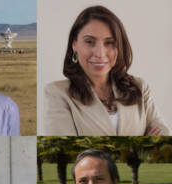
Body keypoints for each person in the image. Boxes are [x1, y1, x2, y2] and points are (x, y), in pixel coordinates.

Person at [44, 6, 169, 136]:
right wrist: (142, 144)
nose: (100, 53)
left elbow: (164, 137)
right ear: (74, 44)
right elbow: (65, 151)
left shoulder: (139, 87)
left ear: (119, 46)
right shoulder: (57, 94)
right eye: (90, 42)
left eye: (109, 43)